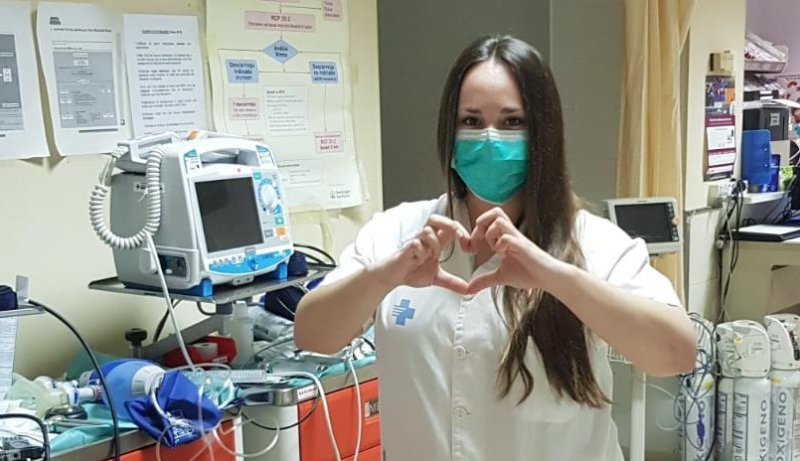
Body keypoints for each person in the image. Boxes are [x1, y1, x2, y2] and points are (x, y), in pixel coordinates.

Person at [294, 35, 696, 460]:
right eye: (471, 121)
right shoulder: (397, 232)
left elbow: (675, 354)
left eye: (511, 122)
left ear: (543, 135)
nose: (489, 138)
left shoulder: (593, 242)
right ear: (449, 134)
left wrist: (554, 276)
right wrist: (385, 275)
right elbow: (312, 335)